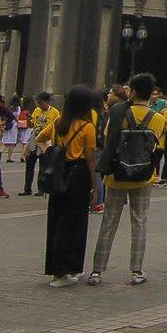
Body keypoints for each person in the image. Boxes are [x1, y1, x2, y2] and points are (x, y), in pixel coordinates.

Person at [89, 74, 167, 286]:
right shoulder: (158, 118)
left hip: (116, 176)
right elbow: (156, 148)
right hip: (143, 178)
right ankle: (137, 271)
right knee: (139, 222)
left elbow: (108, 140)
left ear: (132, 91)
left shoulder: (118, 114)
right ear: (151, 93)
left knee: (109, 222)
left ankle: (97, 271)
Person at [40, 86, 97, 287]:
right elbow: (90, 160)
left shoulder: (57, 124)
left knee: (56, 220)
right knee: (76, 223)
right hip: (78, 174)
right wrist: (95, 186)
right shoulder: (87, 127)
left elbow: (40, 139)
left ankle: (57, 269)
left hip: (59, 173)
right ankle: (71, 268)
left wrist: (50, 153)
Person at [22, 93, 58, 195]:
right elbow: (31, 124)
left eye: (41, 103)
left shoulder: (55, 113)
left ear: (47, 102)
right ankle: (27, 189)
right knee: (29, 164)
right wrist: (29, 120)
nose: (39, 105)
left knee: (43, 166)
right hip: (34, 138)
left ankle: (41, 189)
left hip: (45, 140)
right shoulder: (37, 111)